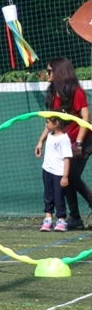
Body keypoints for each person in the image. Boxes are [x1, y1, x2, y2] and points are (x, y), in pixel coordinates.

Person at [35, 58, 92, 230]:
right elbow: (51, 121)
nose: (47, 74)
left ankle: (76, 215)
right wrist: (41, 141)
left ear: (59, 72)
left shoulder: (75, 91)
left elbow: (86, 117)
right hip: (66, 143)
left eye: (50, 71)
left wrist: (79, 143)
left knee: (71, 176)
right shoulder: (53, 93)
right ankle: (75, 218)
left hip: (84, 140)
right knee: (64, 177)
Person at [40, 116, 71, 232]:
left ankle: (61, 220)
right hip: (47, 170)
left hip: (58, 173)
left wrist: (65, 176)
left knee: (58, 196)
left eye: (48, 122)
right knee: (48, 195)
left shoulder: (64, 139)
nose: (46, 125)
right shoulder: (49, 135)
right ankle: (48, 219)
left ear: (56, 123)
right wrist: (39, 143)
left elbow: (67, 158)